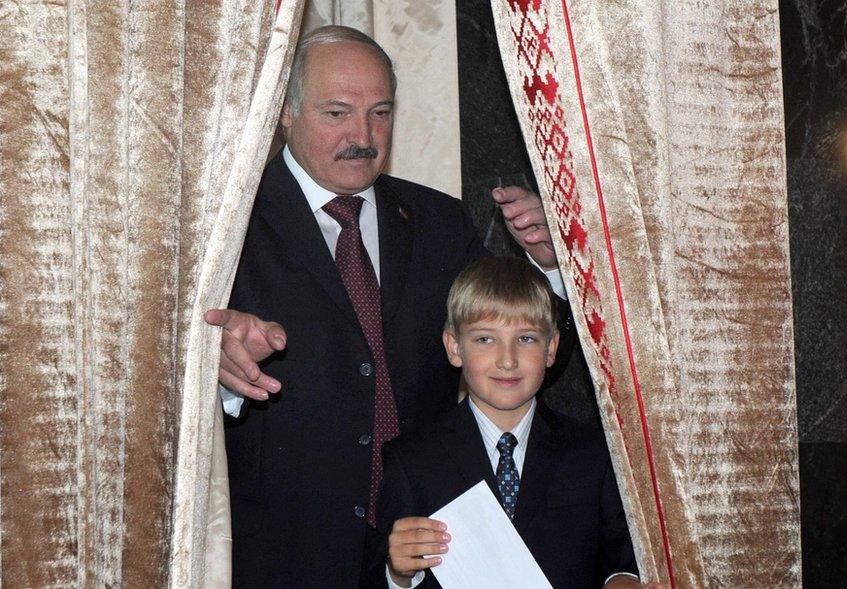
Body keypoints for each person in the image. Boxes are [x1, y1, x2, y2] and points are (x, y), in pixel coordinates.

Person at [204, 26, 567, 587]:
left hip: (430, 546)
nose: (363, 136)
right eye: (337, 113)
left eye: (380, 112)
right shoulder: (224, 225)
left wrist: (550, 266)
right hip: (282, 551)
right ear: (285, 111)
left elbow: (528, 347)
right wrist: (220, 372)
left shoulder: (438, 221)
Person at [375, 257, 642, 589]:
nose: (507, 359)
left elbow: (623, 559)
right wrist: (398, 574)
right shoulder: (412, 459)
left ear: (551, 348)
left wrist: (623, 580)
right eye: (485, 339)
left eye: (526, 338)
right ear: (454, 348)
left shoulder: (596, 453)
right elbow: (380, 574)